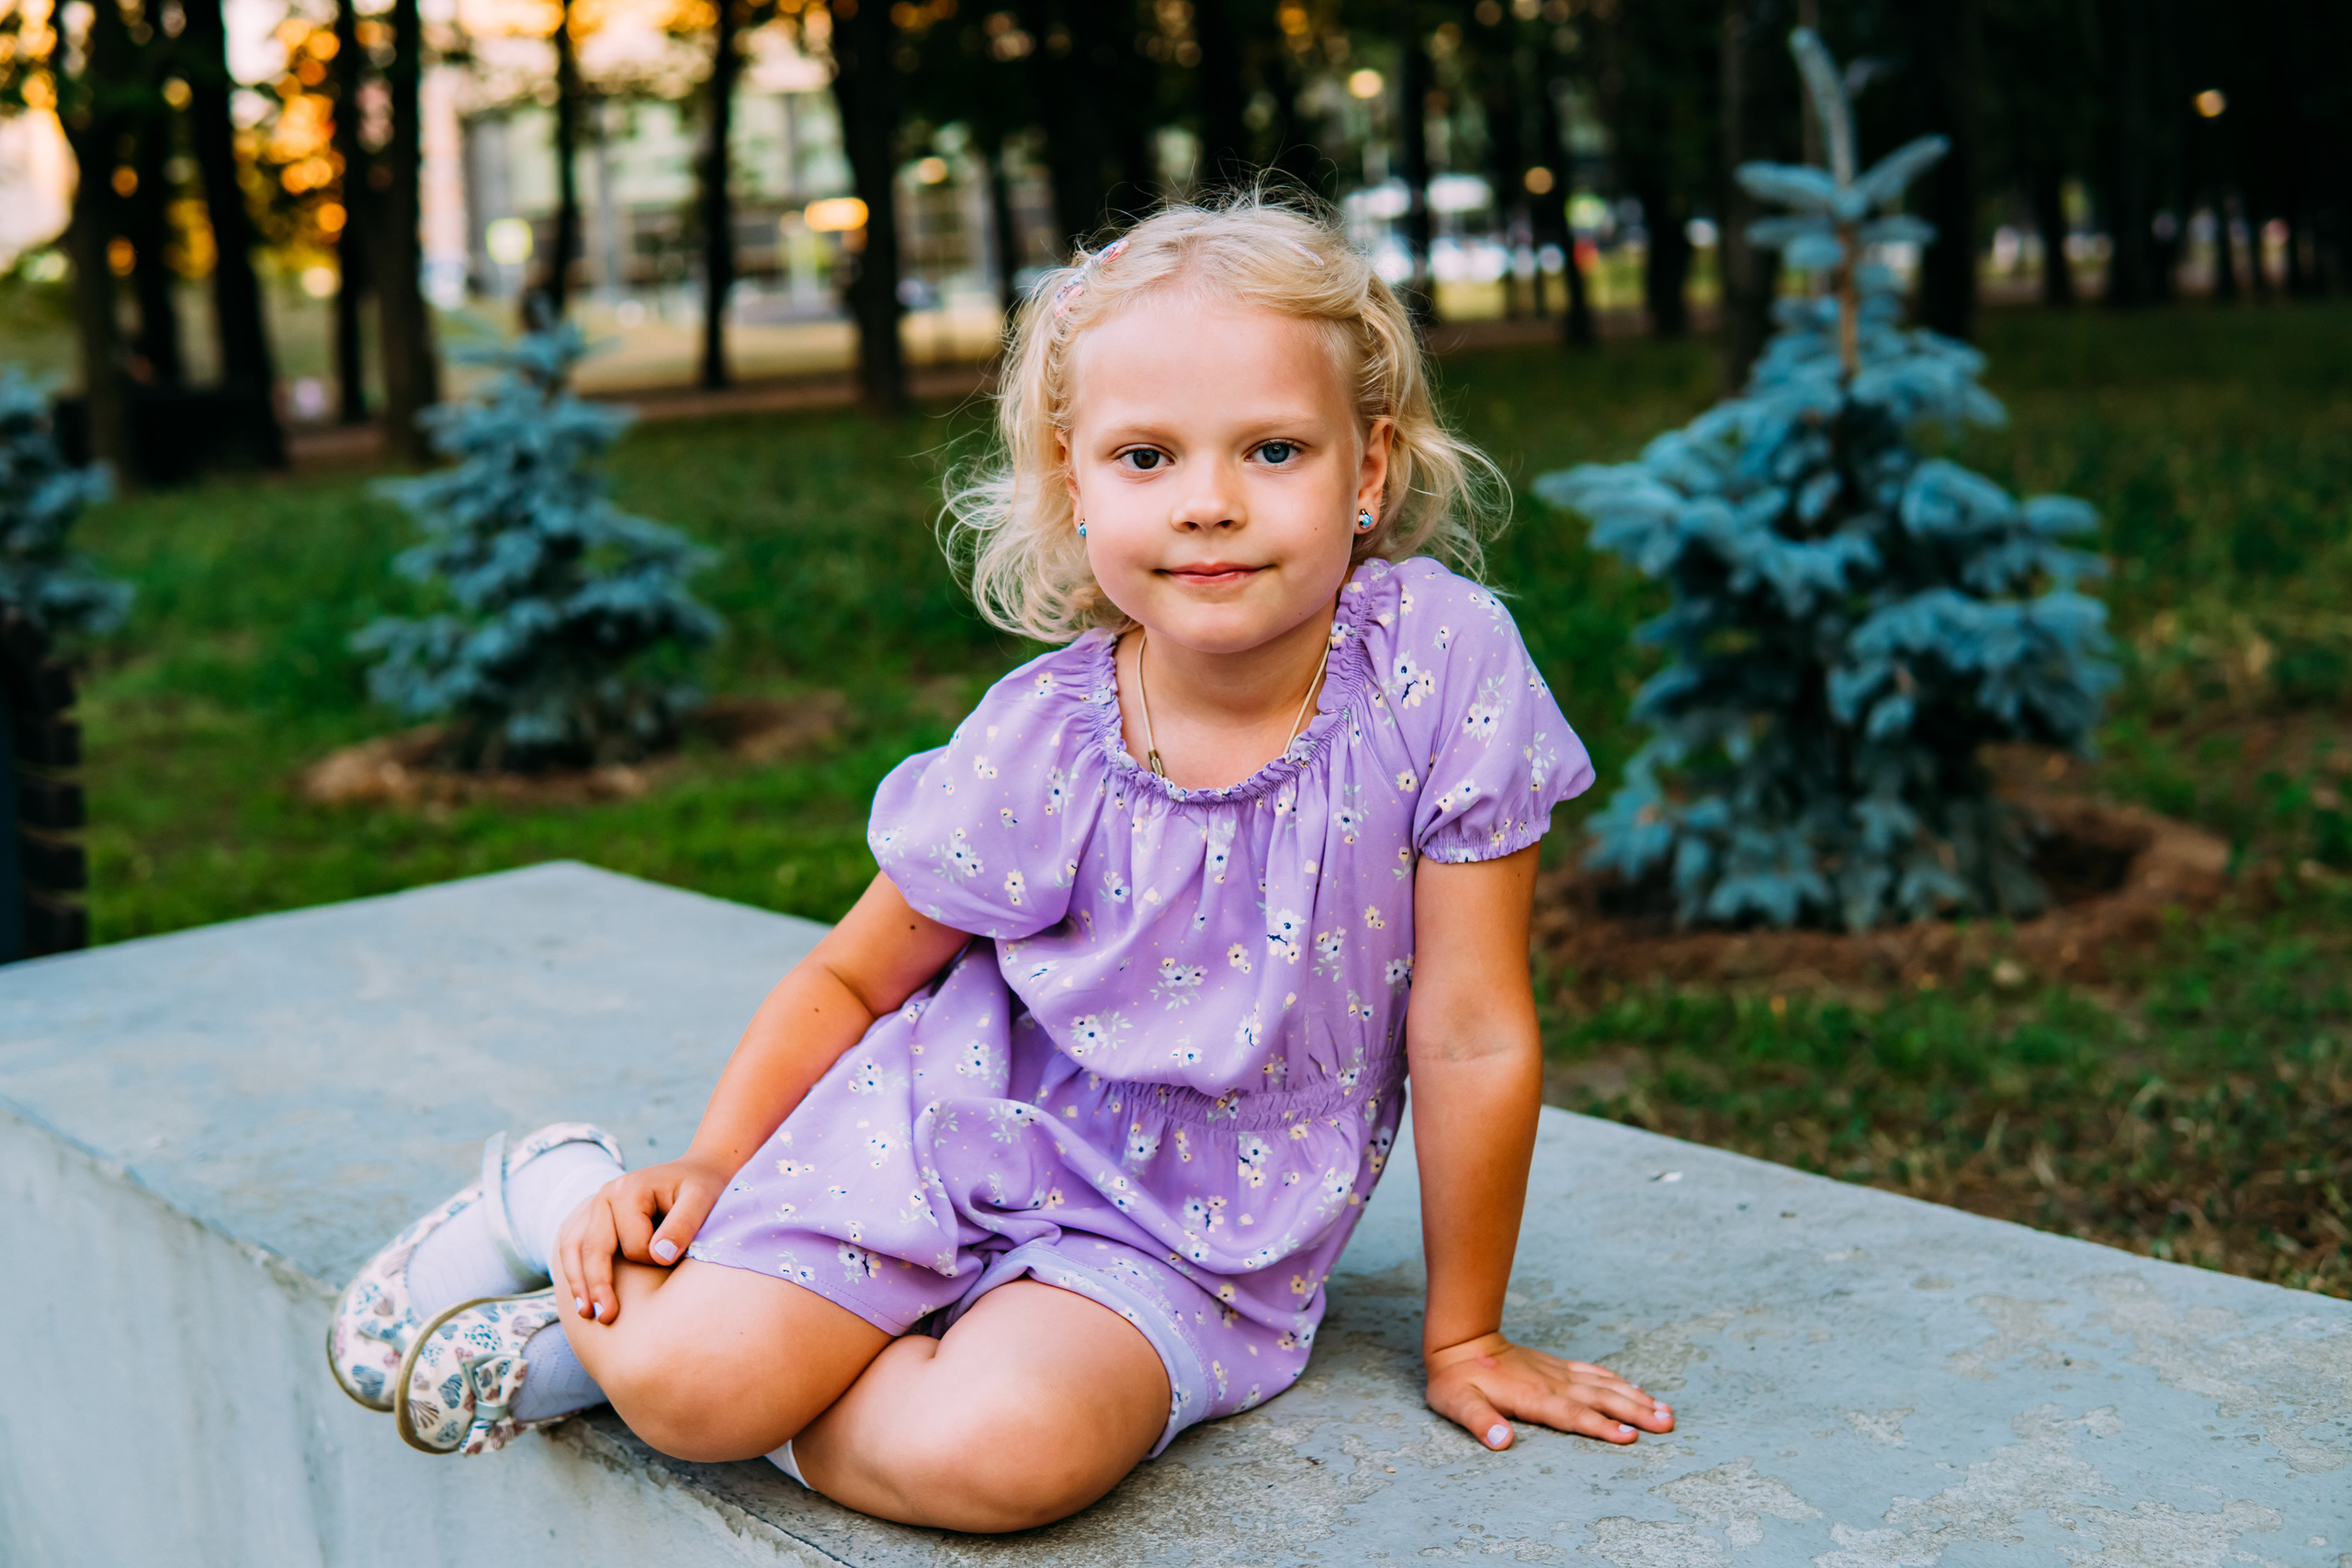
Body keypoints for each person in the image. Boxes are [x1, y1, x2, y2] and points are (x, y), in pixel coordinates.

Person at [326, 189, 1675, 1532]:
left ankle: (672, 1361)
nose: (1208, 504)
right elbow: (857, 982)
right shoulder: (1046, 738)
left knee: (1000, 1457)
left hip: (1194, 1237)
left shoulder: (1438, 667)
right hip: (952, 1127)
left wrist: (1464, 1339)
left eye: (1272, 449)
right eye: (1146, 457)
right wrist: (716, 1164)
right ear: (1072, 482)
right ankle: (562, 1205)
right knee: (693, 1390)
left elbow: (1473, 1033)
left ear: (1368, 470)